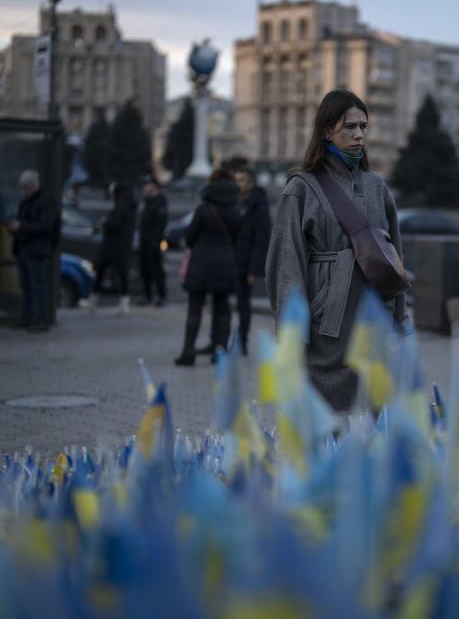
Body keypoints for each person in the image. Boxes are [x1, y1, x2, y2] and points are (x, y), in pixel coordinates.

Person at [266, 89, 411, 412]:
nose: (359, 134)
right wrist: (292, 334)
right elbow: (286, 263)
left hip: (374, 317)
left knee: (374, 415)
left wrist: (399, 320)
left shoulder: (377, 187)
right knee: (324, 420)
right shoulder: (301, 189)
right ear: (326, 130)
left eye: (363, 126)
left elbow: (394, 257)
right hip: (326, 324)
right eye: (349, 127)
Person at [174, 171, 240, 366]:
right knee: (222, 310)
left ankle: (188, 352)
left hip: (201, 265)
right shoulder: (235, 211)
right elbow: (237, 238)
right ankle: (219, 352)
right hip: (225, 264)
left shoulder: (204, 209)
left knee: (195, 310)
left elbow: (190, 237)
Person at [9, 170, 56, 332]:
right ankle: (28, 317)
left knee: (37, 286)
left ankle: (41, 319)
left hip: (36, 250)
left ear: (31, 186)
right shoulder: (27, 202)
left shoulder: (45, 202)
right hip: (24, 247)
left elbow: (46, 226)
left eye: (25, 187)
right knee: (27, 286)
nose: (23, 191)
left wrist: (21, 227)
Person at [231, 167, 271, 354]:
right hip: (230, 261)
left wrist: (254, 270)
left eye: (243, 180)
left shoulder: (258, 205)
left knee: (243, 304)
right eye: (237, 180)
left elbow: (261, 239)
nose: (239, 184)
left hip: (246, 263)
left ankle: (242, 342)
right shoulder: (231, 203)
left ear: (251, 183)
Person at [84, 181, 136, 314]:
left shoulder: (120, 207)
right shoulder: (129, 206)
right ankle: (124, 303)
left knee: (100, 271)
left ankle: (93, 302)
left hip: (112, 245)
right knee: (121, 274)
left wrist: (105, 222)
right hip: (122, 246)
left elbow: (113, 224)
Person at [138, 174, 168, 306]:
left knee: (156, 269)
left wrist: (156, 240)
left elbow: (161, 223)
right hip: (144, 240)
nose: (144, 188)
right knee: (145, 270)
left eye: (147, 185)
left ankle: (161, 296)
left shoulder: (160, 201)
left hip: (154, 242)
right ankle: (147, 296)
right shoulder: (146, 201)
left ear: (153, 186)